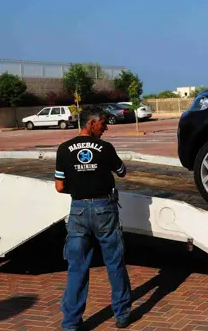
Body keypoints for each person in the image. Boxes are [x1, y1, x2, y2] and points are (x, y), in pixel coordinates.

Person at [55, 110, 132, 330]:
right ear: (91, 123)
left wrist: (79, 187)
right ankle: (122, 314)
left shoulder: (63, 149)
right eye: (103, 124)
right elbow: (122, 171)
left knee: (76, 267)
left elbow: (59, 186)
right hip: (104, 210)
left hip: (78, 210)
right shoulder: (105, 148)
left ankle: (71, 322)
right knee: (114, 262)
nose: (106, 128)